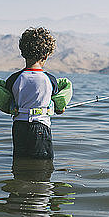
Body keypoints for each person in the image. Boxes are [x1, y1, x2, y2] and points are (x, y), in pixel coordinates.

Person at [5, 27, 72, 160]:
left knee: (20, 163)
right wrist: (59, 108)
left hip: (19, 128)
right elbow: (60, 109)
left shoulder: (13, 79)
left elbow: (9, 102)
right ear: (46, 55)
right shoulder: (50, 80)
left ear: (22, 53)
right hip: (41, 128)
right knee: (44, 166)